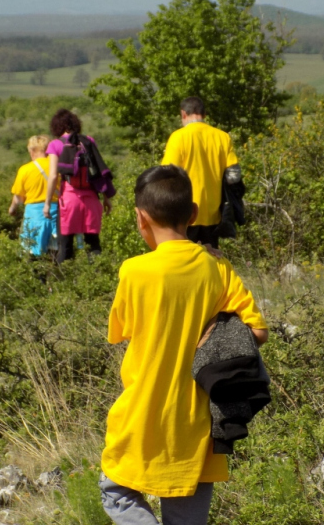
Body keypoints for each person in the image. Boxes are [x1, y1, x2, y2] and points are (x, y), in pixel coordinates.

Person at [99, 165, 268, 525]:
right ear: (192, 214)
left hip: (142, 413)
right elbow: (257, 331)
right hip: (198, 422)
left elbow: (121, 331)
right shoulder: (216, 269)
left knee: (114, 490)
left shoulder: (134, 271)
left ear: (140, 218)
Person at [161, 96, 242, 249]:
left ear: (183, 114)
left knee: (185, 260)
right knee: (211, 259)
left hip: (185, 212)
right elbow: (234, 176)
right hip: (213, 214)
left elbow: (167, 175)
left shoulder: (178, 137)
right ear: (204, 114)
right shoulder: (222, 137)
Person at [44, 109, 111, 263]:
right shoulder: (88, 141)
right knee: (93, 243)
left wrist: (47, 203)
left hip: (69, 198)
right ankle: (97, 280)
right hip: (92, 198)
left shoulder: (56, 144)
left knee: (65, 245)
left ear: (56, 127)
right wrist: (106, 198)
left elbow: (54, 175)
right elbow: (100, 170)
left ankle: (65, 284)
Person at [8, 135, 58, 256]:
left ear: (32, 150)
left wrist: (12, 209)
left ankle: (38, 275)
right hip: (56, 213)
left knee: (32, 254)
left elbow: (19, 197)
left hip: (33, 215)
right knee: (56, 253)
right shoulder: (56, 167)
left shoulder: (25, 170)